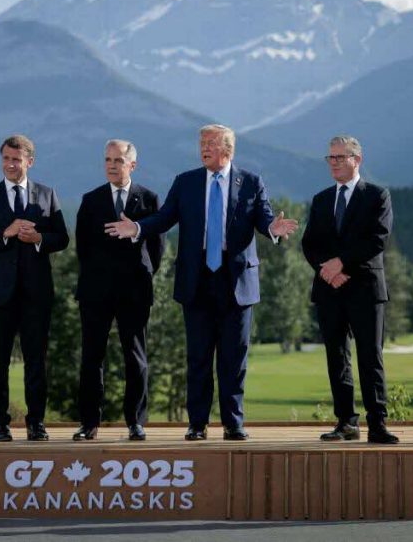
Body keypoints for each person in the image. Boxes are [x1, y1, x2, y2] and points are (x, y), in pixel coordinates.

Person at [106, 124, 299, 441]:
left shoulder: (251, 182)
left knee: (233, 359)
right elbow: (164, 218)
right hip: (196, 280)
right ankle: (197, 424)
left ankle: (233, 423)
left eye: (210, 142)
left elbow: (265, 219)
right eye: (201, 142)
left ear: (228, 149)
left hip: (236, 281)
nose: (203, 148)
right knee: (198, 357)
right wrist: (137, 228)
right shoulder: (186, 181)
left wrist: (273, 230)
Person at [0, 134, 69, 442]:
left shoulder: (47, 195)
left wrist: (39, 239)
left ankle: (36, 423)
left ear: (29, 162)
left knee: (36, 362)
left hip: (37, 294)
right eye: (6, 159)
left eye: (16, 159)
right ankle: (0, 423)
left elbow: (62, 238)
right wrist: (5, 233)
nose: (10, 165)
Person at [301, 136, 399, 444]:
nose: (333, 163)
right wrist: (327, 270)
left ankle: (378, 424)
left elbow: (378, 239)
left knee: (370, 357)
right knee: (337, 357)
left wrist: (341, 263)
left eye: (339, 157)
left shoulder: (377, 195)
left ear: (357, 160)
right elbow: (309, 243)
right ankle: (346, 423)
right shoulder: (320, 199)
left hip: (365, 288)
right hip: (329, 288)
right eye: (330, 158)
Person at [74, 140, 164, 442]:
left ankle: (136, 422)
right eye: (108, 160)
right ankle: (88, 423)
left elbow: (157, 247)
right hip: (95, 292)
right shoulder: (91, 200)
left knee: (135, 358)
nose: (112, 165)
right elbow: (83, 247)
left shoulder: (149, 199)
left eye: (118, 160)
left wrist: (142, 275)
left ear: (132, 165)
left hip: (135, 291)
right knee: (92, 358)